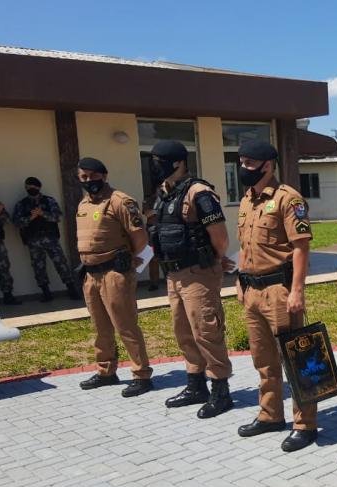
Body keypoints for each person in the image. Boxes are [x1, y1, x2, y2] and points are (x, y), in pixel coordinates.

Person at [234, 139, 319, 452]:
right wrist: (239, 280)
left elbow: (301, 247)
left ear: (267, 165)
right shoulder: (246, 201)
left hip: (279, 291)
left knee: (295, 357)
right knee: (263, 359)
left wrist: (297, 290)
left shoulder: (288, 199)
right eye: (240, 162)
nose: (243, 169)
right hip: (253, 291)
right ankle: (270, 414)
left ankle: (305, 424)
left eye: (248, 163)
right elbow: (245, 246)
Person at [148, 140, 234, 419]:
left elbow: (220, 238)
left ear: (178, 162)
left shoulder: (200, 193)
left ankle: (221, 390)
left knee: (206, 331)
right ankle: (196, 385)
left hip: (198, 272)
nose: (154, 166)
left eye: (159, 160)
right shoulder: (164, 193)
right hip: (174, 274)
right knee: (183, 331)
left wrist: (216, 260)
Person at [75, 157, 154, 397]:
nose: (89, 181)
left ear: (104, 175)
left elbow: (140, 237)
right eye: (83, 177)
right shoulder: (83, 204)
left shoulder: (120, 201)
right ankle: (106, 371)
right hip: (91, 275)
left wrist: (130, 258)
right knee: (100, 327)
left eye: (92, 176)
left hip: (114, 273)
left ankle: (141, 375)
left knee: (125, 325)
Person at [12, 176, 79, 302]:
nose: (31, 189)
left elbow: (57, 216)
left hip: (50, 238)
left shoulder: (49, 201)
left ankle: (71, 289)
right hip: (33, 240)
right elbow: (16, 222)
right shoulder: (22, 204)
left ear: (39, 187)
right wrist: (31, 217)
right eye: (29, 187)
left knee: (61, 264)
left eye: (34, 187)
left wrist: (42, 214)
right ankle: (46, 293)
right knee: (38, 267)